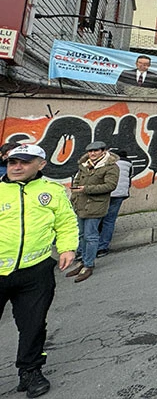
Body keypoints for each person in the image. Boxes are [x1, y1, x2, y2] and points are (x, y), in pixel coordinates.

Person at [0, 144, 78, 398]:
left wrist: (67, 248)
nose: (17, 167)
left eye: (24, 162)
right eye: (13, 162)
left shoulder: (51, 191)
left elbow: (65, 221)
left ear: (41, 164)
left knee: (33, 326)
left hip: (36, 272)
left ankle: (30, 371)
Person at [66, 141, 119, 283]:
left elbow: (110, 186)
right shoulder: (84, 164)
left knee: (91, 236)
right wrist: (74, 196)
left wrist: (86, 189)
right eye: (90, 151)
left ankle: (88, 265)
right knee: (82, 235)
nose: (92, 153)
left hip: (96, 206)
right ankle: (83, 261)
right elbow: (77, 181)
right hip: (81, 204)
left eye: (96, 151)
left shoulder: (111, 166)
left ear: (103, 151)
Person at [97, 149, 133, 257]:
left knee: (97, 217)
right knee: (110, 221)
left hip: (106, 192)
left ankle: (91, 245)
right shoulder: (129, 164)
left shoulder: (107, 161)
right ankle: (102, 248)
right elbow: (129, 178)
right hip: (120, 194)